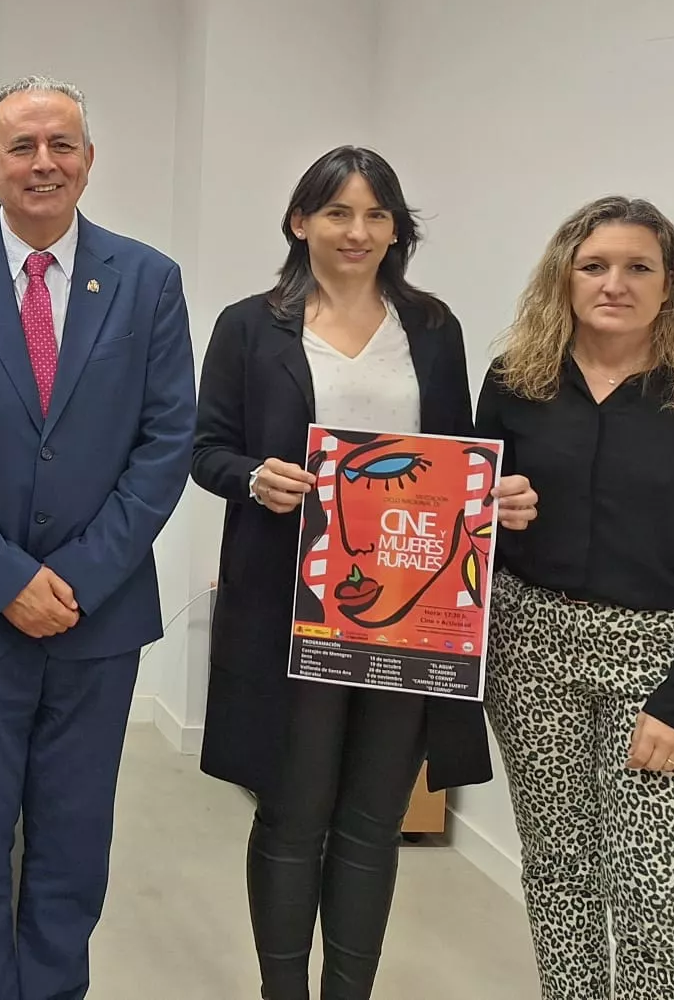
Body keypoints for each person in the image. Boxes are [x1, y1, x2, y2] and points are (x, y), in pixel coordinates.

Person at [192, 147, 538, 1000]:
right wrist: (251, 477)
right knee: (291, 809)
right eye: (338, 212)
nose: (357, 231)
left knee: (373, 820)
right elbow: (206, 450)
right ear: (299, 221)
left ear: (396, 228)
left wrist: (498, 496)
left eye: (376, 215)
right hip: (293, 605)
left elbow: (456, 455)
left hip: (412, 612)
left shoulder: (432, 325)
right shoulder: (251, 324)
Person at [0, 75, 194, 1000]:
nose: (43, 163)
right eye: (21, 147)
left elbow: (165, 443)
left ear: (89, 161)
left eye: (60, 144)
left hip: (97, 620)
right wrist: (3, 578)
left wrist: (74, 577)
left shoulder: (147, 279)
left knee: (74, 842)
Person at [477, 196, 674, 1000]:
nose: (615, 283)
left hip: (662, 662)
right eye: (594, 265)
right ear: (564, 277)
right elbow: (467, 519)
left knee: (655, 898)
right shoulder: (513, 383)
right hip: (533, 648)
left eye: (639, 268)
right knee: (559, 874)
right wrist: (496, 510)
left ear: (672, 286)